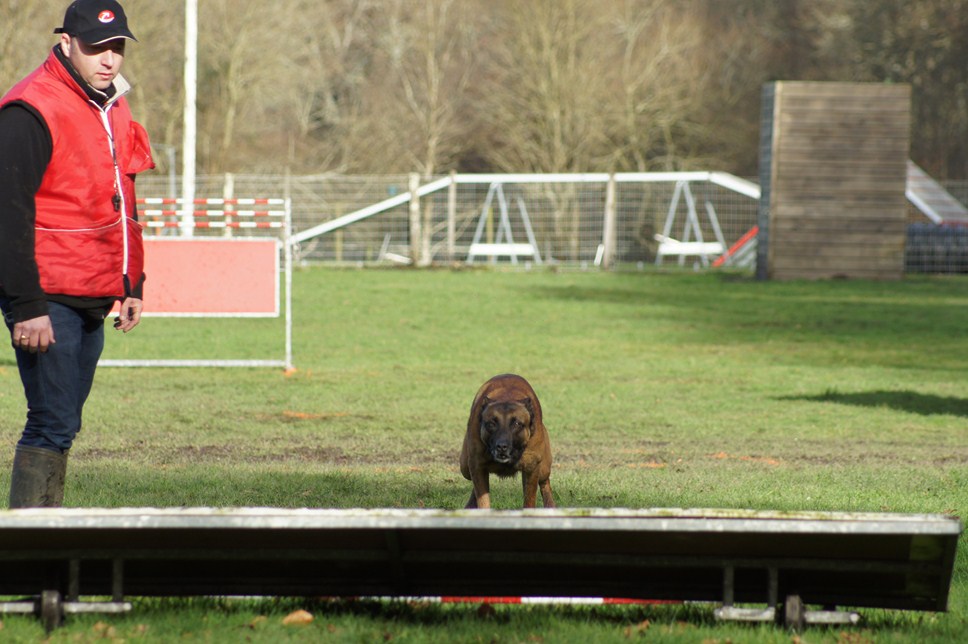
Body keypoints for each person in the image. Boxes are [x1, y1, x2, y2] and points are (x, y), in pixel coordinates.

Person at [0, 0, 153, 508]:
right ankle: (29, 555)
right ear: (66, 43)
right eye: (96, 48)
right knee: (51, 421)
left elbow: (124, 196)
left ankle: (44, 542)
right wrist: (27, 307)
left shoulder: (112, 104)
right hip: (46, 294)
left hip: (94, 289)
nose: (109, 59)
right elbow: (8, 214)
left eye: (117, 48)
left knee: (64, 421)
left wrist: (132, 283)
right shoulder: (31, 108)